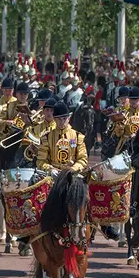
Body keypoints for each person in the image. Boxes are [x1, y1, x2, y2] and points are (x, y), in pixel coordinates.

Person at [37, 101, 118, 241]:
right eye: (58, 119)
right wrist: (50, 169)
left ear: (68, 118)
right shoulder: (46, 137)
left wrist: (72, 170)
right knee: (39, 196)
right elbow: (41, 161)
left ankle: (105, 225)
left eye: (64, 118)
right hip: (54, 175)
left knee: (92, 192)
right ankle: (31, 230)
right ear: (54, 119)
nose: (61, 122)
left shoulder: (78, 136)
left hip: (74, 174)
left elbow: (82, 159)